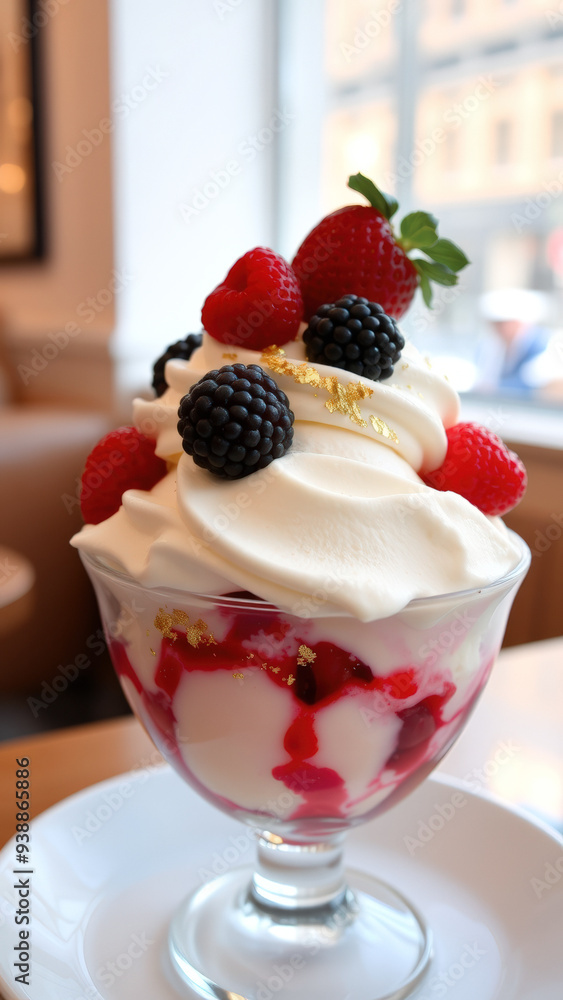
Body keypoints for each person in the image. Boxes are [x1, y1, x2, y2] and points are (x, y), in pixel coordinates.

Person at [476, 288, 550, 394]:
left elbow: (529, 384)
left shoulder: (540, 345)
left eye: (504, 323)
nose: (499, 329)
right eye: (495, 324)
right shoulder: (488, 346)